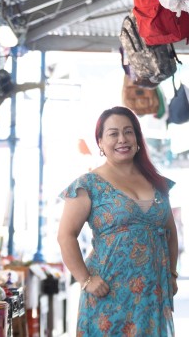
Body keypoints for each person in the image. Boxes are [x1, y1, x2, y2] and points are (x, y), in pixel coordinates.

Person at [57, 106, 178, 336]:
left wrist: (172, 274)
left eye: (128, 132)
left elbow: (170, 232)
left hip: (153, 295)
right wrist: (85, 279)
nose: (122, 139)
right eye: (113, 134)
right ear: (101, 142)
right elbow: (65, 235)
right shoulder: (88, 184)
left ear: (137, 138)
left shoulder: (157, 182)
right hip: (109, 293)